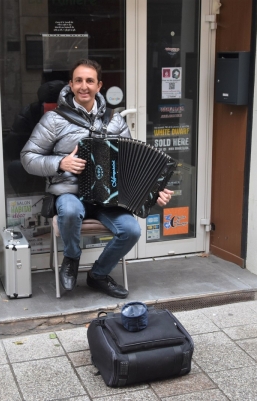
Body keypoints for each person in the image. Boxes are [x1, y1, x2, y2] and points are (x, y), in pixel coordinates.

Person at [21, 59, 173, 299]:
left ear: (99, 85)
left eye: (90, 81)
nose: (84, 86)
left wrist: (155, 191)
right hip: (70, 192)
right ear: (70, 84)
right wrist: (60, 163)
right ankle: (71, 258)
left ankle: (98, 275)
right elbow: (27, 158)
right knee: (70, 212)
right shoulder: (54, 120)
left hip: (108, 199)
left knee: (131, 229)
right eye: (79, 80)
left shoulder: (115, 120)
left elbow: (130, 164)